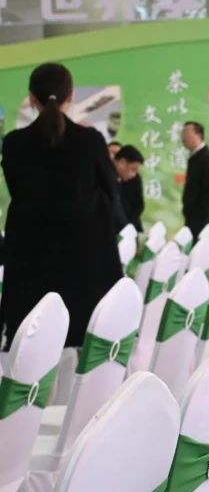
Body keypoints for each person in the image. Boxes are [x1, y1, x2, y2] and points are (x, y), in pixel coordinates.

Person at [1, 63, 123, 348]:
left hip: (31, 265)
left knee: (32, 348)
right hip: (84, 265)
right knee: (81, 344)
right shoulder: (90, 141)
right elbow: (110, 191)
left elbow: (18, 192)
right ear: (71, 96)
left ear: (31, 98)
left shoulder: (14, 144)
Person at [181, 121, 209, 239]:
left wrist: (207, 221)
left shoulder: (207, 159)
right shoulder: (195, 157)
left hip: (202, 221)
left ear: (198, 135)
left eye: (186, 133)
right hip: (193, 219)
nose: (183, 137)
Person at [114, 144, 145, 231]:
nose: (133, 174)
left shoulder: (135, 179)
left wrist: (129, 226)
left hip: (127, 226)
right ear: (122, 163)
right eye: (133, 169)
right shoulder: (105, 178)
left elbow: (139, 205)